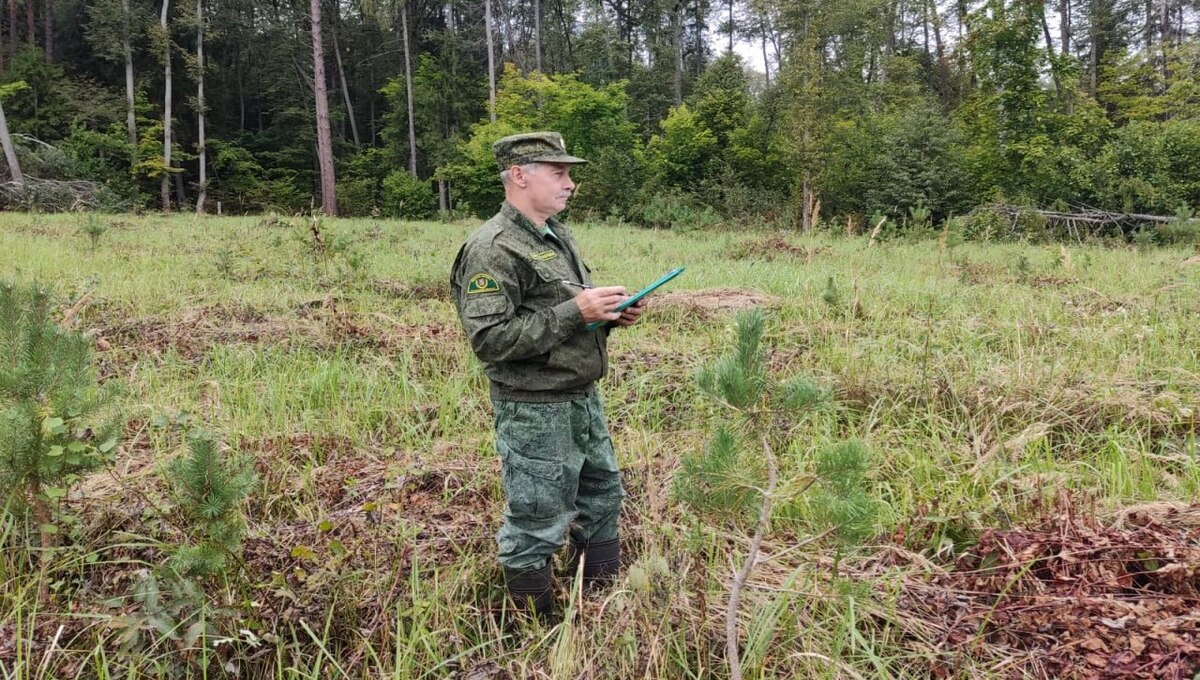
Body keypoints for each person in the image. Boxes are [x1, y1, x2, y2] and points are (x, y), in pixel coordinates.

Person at [450, 131, 644, 616]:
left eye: (569, 173)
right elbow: (491, 340)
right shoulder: (492, 249)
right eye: (558, 173)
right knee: (537, 517)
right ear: (519, 175)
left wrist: (609, 315)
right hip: (535, 407)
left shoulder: (556, 236)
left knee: (601, 499)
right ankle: (533, 629)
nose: (570, 183)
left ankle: (600, 608)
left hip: (580, 396)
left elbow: (564, 318)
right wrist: (576, 312)